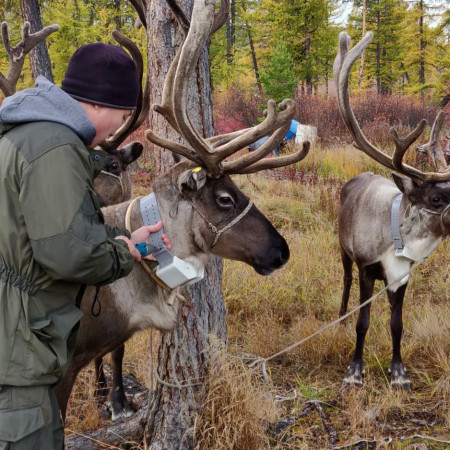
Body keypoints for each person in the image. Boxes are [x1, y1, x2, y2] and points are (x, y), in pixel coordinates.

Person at [0, 42, 169, 449]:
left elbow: (41, 229)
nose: (119, 126)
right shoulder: (56, 148)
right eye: (123, 114)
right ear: (98, 103)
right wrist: (123, 255)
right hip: (19, 344)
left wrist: (121, 236)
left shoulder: (30, 133)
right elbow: (68, 253)